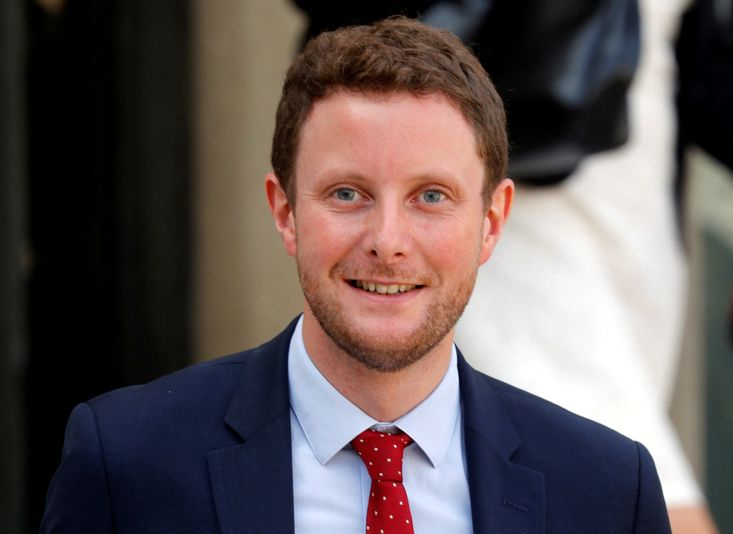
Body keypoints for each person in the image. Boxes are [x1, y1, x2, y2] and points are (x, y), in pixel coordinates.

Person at [40, 17, 670, 533]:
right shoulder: (125, 463)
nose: (387, 243)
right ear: (285, 212)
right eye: (347, 194)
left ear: (491, 221)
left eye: (430, 197)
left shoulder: (610, 492)